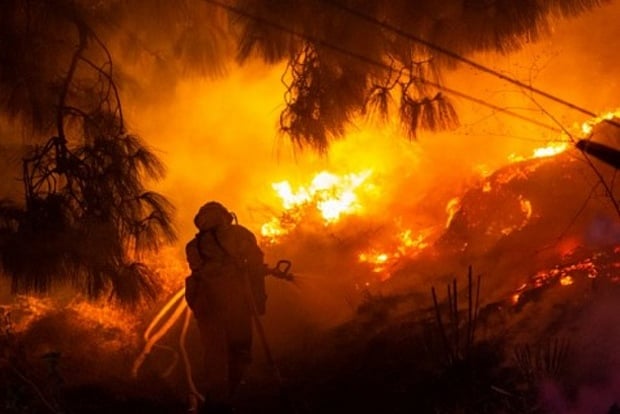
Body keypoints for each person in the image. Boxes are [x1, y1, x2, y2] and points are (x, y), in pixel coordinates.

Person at [184, 201, 267, 413]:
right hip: (236, 303)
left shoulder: (193, 246)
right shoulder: (239, 234)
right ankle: (230, 397)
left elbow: (199, 271)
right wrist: (259, 299)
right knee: (240, 350)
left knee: (214, 354)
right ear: (225, 216)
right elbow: (256, 264)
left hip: (206, 306)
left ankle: (216, 402)